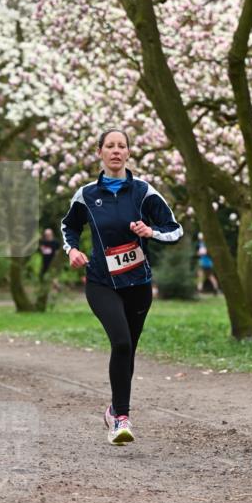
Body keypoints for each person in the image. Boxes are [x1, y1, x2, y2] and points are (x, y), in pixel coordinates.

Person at [61, 128, 183, 445]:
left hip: (138, 283)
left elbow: (175, 229)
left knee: (128, 350)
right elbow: (68, 227)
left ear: (129, 153)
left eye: (122, 146)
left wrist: (150, 230)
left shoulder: (143, 192)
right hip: (101, 282)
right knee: (122, 343)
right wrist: (72, 250)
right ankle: (121, 420)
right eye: (110, 146)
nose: (116, 151)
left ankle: (114, 407)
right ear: (100, 152)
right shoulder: (86, 194)